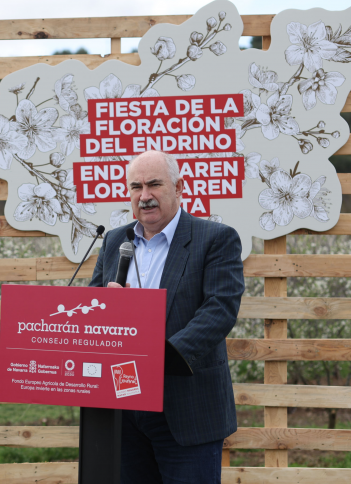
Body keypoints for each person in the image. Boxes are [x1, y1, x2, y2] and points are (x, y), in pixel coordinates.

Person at [88, 150, 245, 484]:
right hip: (123, 410)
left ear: (179, 187)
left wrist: (159, 357)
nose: (144, 196)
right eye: (136, 187)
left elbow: (220, 309)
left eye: (154, 184)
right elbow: (92, 309)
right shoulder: (115, 240)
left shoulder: (215, 239)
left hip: (186, 407)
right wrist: (104, 307)